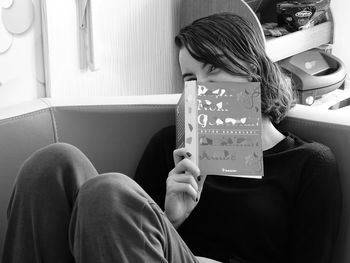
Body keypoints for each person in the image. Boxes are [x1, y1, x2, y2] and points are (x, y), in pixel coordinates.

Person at [1, 13, 341, 263]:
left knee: (110, 191)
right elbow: (120, 237)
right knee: (54, 162)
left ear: (252, 67)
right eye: (190, 77)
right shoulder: (171, 145)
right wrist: (171, 218)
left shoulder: (309, 163)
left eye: (213, 67)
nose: (201, 87)